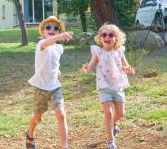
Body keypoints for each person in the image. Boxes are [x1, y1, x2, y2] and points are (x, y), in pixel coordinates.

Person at [82, 23, 135, 149]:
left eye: (111, 35)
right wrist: (86, 69)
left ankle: (112, 123)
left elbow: (125, 65)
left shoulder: (120, 51)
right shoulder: (98, 52)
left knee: (120, 113)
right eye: (104, 34)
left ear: (116, 38)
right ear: (100, 38)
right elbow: (91, 66)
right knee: (108, 112)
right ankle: (111, 140)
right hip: (103, 85)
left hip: (117, 85)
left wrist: (128, 69)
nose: (107, 37)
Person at [26, 16, 73, 149]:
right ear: (43, 32)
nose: (52, 30)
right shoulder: (41, 44)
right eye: (48, 27)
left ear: (59, 31)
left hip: (54, 86)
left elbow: (53, 61)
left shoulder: (59, 48)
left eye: (55, 28)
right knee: (37, 117)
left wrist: (57, 70)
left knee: (61, 115)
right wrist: (60, 36)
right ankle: (30, 134)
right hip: (40, 87)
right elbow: (48, 44)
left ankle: (65, 146)